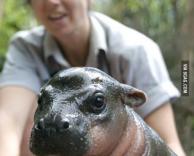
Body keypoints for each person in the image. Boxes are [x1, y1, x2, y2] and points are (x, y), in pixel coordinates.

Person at [0, 0, 186, 156]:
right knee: (34, 111)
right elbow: (9, 119)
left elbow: (168, 140)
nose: (52, 2)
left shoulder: (137, 50)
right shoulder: (25, 47)